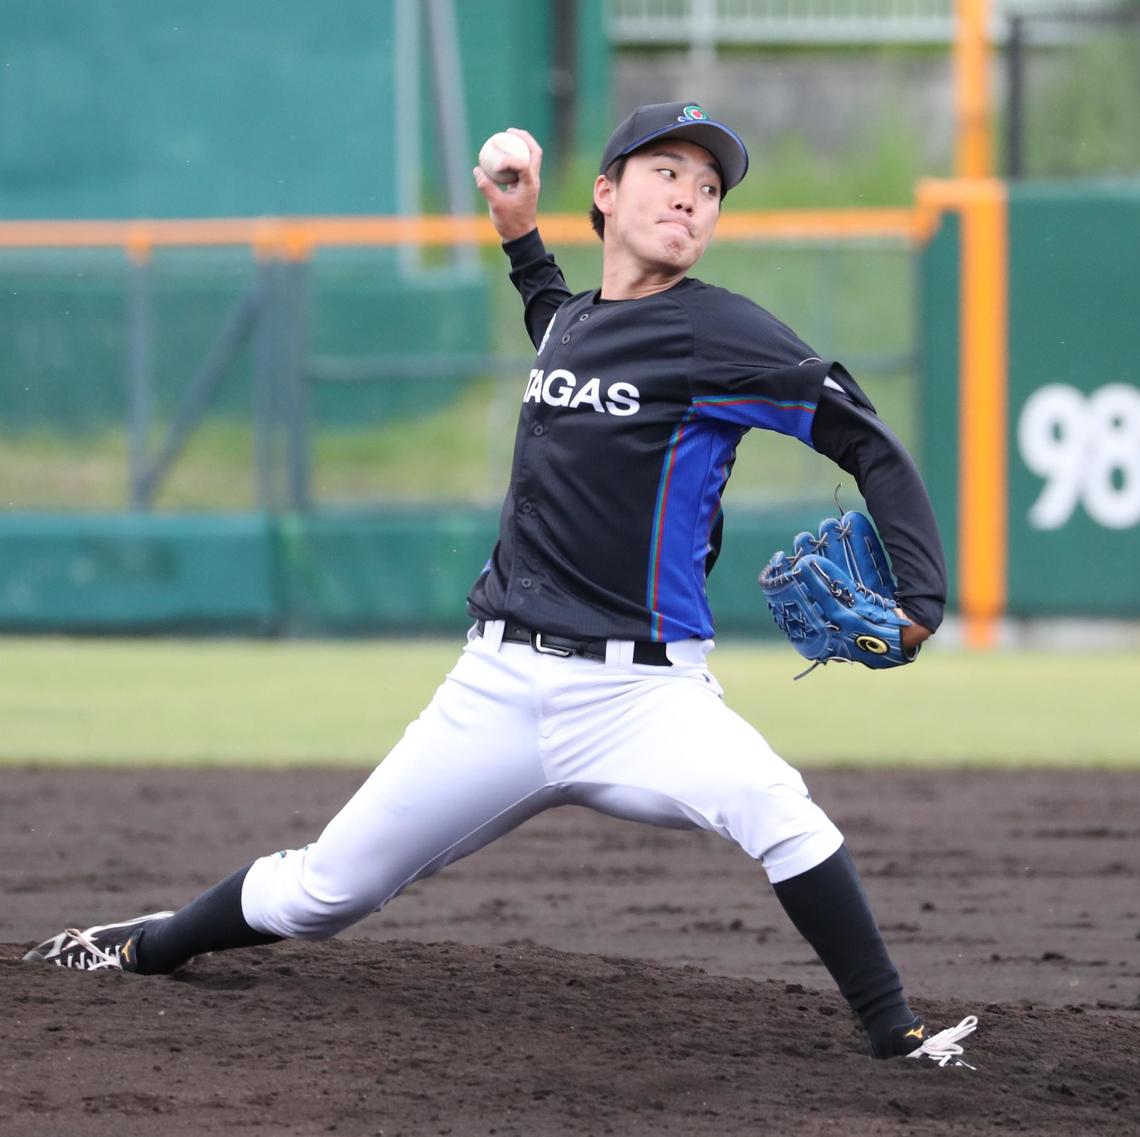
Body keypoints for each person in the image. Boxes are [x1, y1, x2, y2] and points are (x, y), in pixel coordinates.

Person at [24, 102, 974, 1067]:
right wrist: (520, 235)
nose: (690, 196)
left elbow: (867, 440)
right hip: (497, 686)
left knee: (779, 808)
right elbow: (556, 325)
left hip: (644, 695)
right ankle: (146, 945)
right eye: (666, 173)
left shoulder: (719, 331)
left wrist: (921, 599)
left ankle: (898, 1036)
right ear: (605, 195)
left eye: (709, 187)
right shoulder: (576, 324)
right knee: (323, 892)